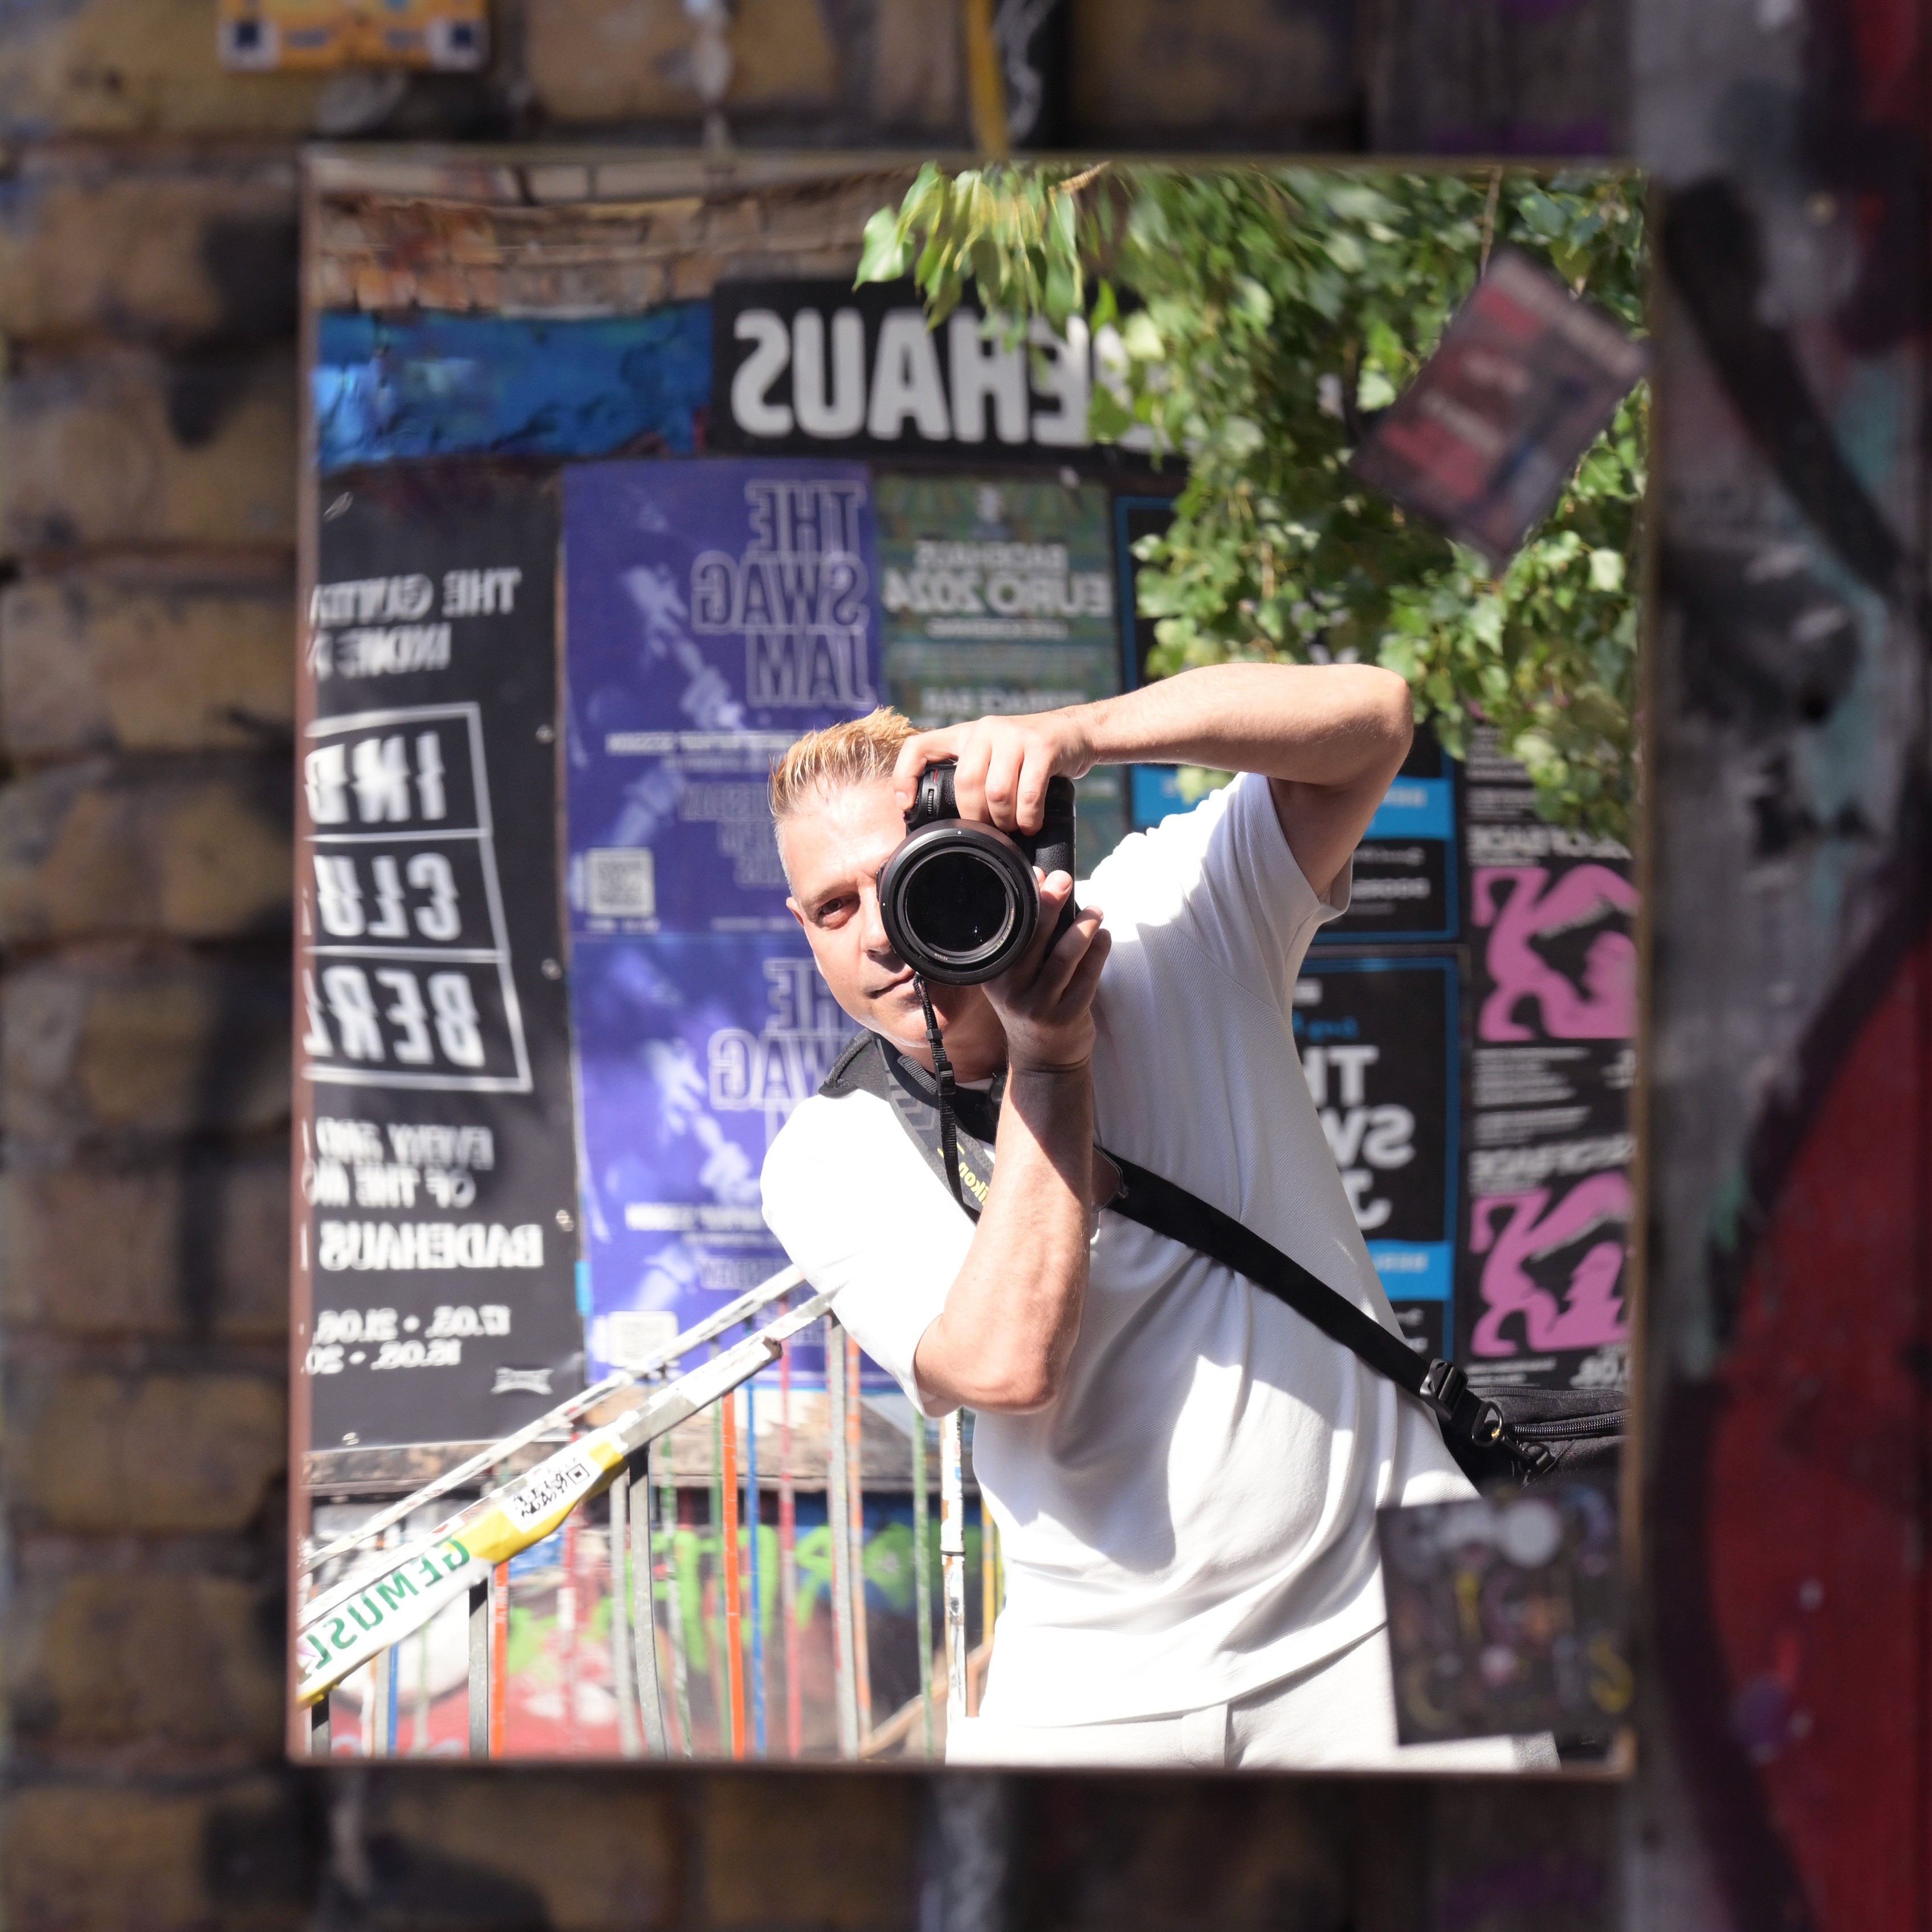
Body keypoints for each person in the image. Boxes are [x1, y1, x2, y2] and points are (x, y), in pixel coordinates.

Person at [759, 664, 1556, 1770]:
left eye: (905, 882)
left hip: (1396, 1588)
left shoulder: (1167, 920)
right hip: (1100, 1672)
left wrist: (1079, 734)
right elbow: (1001, 1367)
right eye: (836, 909)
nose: (883, 936)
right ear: (802, 926)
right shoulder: (830, 1151)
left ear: (987, 848)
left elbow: (1377, 717)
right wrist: (1050, 1057)